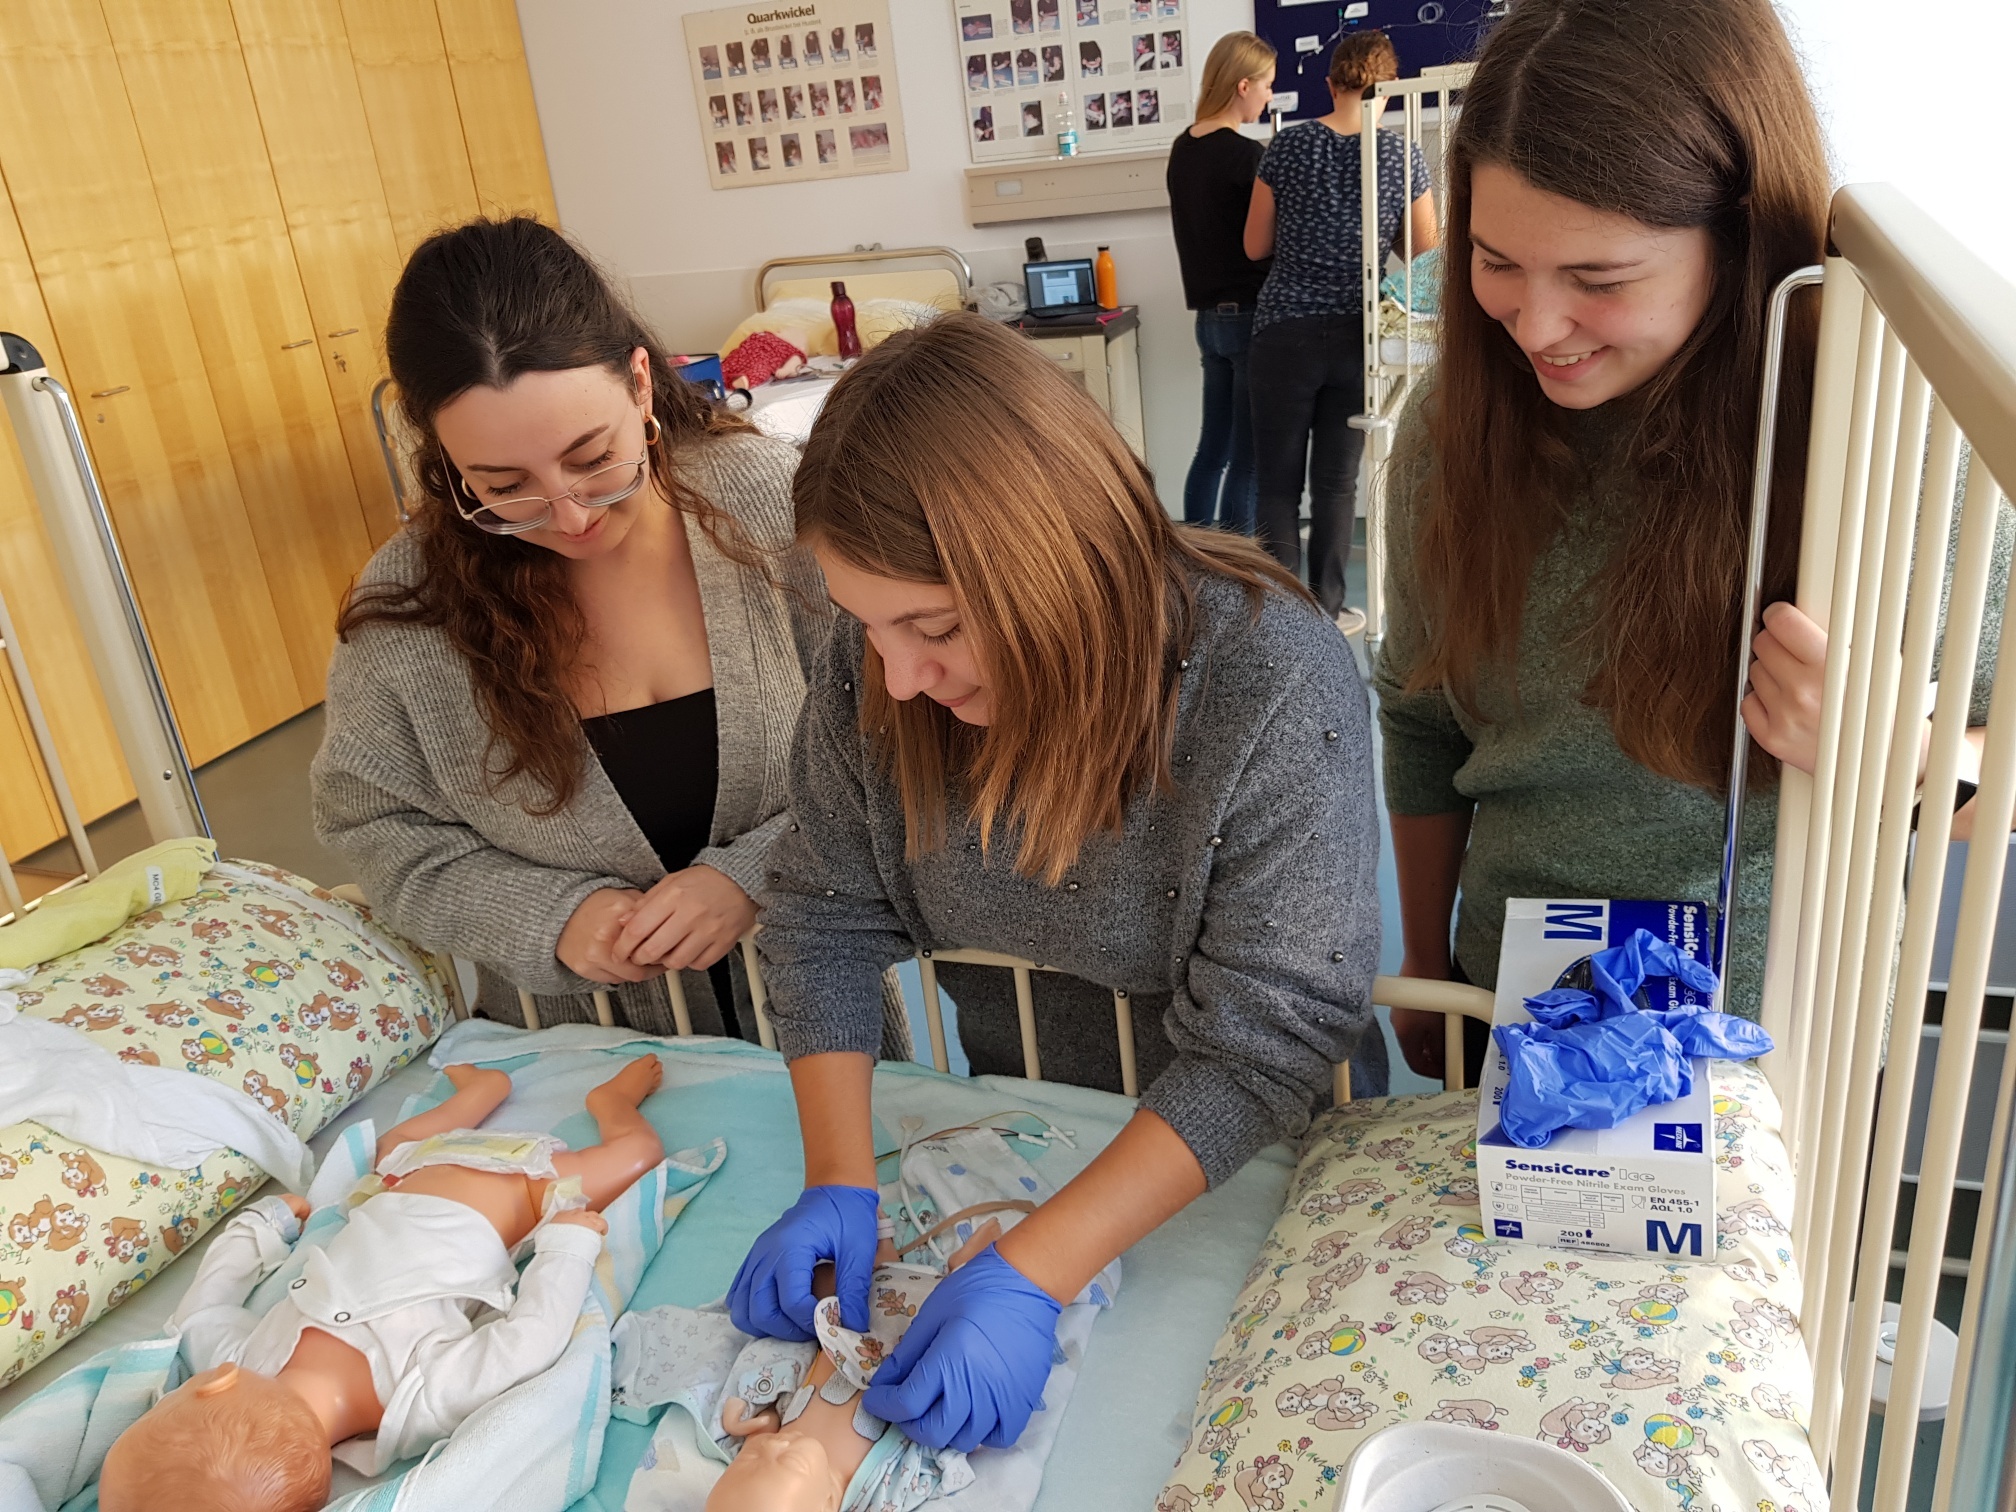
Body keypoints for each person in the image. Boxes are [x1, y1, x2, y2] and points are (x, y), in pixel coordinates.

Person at [726, 311, 1381, 1455]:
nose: (900, 674)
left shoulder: (1270, 678)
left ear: (1056, 571)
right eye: (868, 626)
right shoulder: (878, 672)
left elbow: (1266, 1038)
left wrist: (1035, 1270)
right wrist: (841, 1180)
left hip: (1243, 1157)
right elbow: (825, 910)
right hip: (1032, 1123)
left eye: (933, 627)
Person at [1375, 0, 2010, 1081]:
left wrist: (1899, 750)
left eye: (1599, 280)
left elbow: (1987, 768)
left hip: (1780, 1045)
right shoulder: (1451, 429)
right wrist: (1430, 965)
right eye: (1494, 264)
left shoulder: (1889, 439)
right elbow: (1423, 720)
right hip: (1519, 1008)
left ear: (1739, 238)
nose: (1533, 326)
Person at [312, 218, 905, 1053]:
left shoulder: (781, 513)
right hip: (583, 1071)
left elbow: (898, 741)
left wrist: (756, 873)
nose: (570, 515)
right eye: (502, 485)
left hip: (832, 1047)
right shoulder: (411, 610)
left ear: (639, 384)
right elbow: (377, 829)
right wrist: (549, 918)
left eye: (593, 457)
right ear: (442, 455)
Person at [98, 1058, 663, 1511]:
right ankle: (607, 1104)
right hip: (523, 1192)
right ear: (210, 1389)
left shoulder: (240, 1357)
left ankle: (483, 1089)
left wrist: (264, 1227)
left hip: (405, 1175)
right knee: (637, 1155)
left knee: (397, 1140)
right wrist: (565, 1247)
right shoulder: (420, 1400)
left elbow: (201, 1308)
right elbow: (530, 1340)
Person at [1245, 30, 1437, 617]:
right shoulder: (1401, 155)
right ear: (1386, 89)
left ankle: (1281, 616)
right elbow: (1425, 256)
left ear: (1329, 84)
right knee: (1336, 484)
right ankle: (1327, 611)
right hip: (1360, 335)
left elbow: (1255, 246)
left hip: (1284, 329)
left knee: (1277, 483)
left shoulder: (1288, 146)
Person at [1166, 31, 1276, 534]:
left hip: (1208, 321)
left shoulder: (1183, 148)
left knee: (1212, 447)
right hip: (1249, 315)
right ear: (1243, 84)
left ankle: (1196, 555)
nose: (1269, 96)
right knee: (1251, 458)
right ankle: (1238, 572)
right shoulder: (1245, 156)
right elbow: (1269, 240)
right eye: (1268, 85)